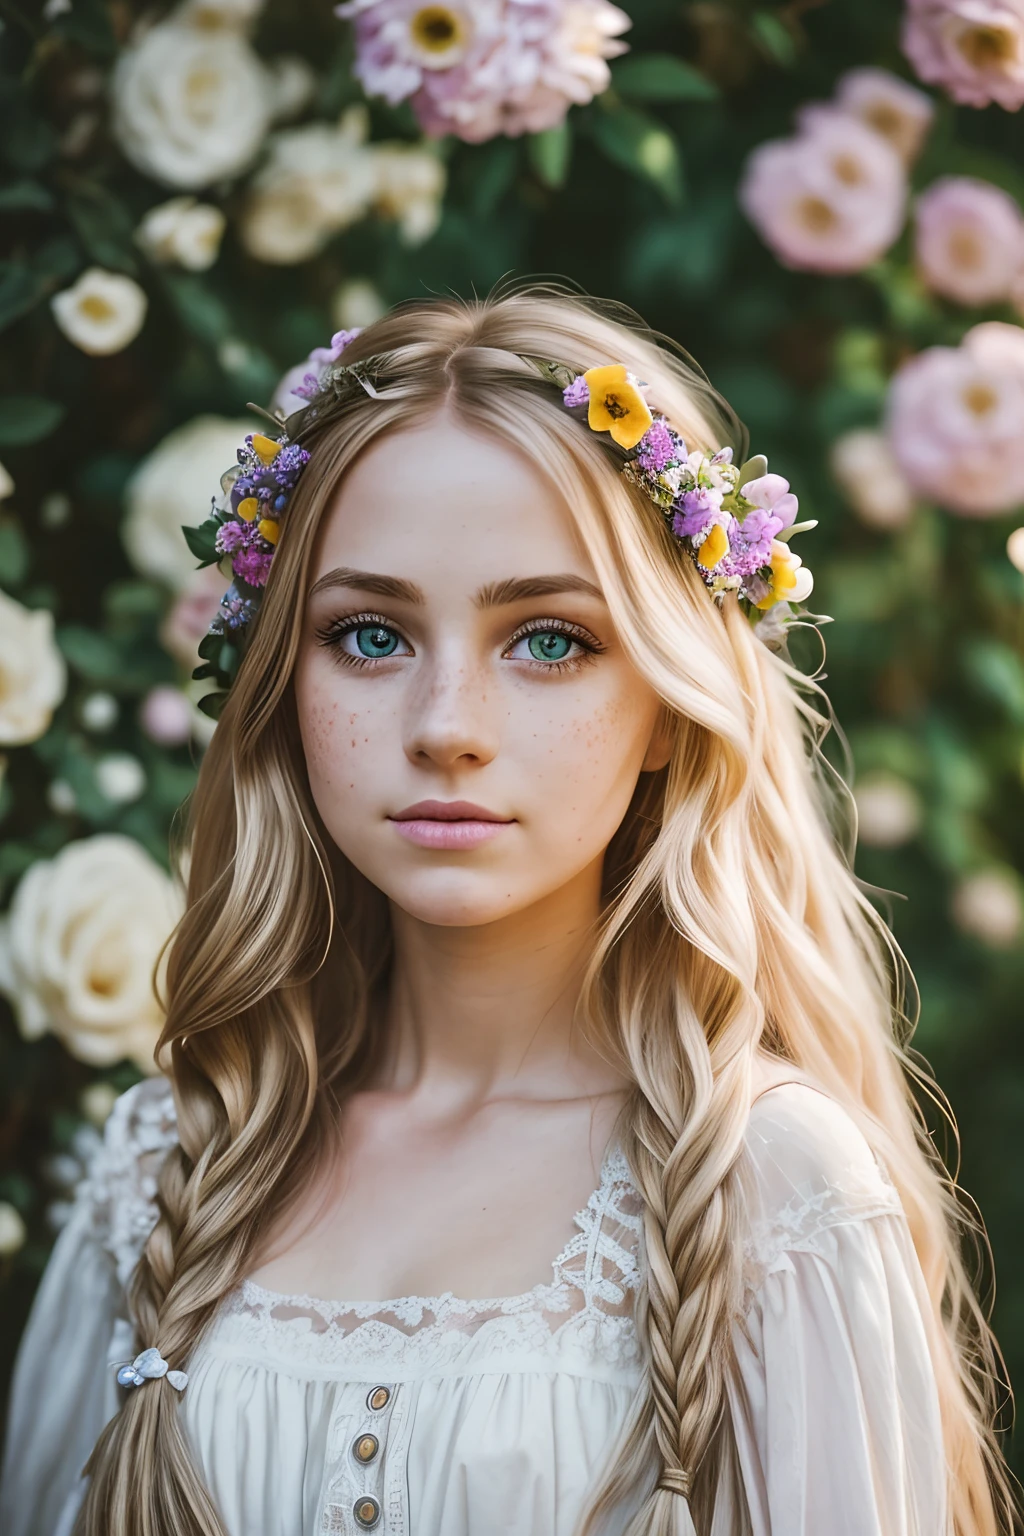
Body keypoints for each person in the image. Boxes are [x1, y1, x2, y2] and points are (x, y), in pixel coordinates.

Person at [0, 286, 1014, 1536]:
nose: (445, 731)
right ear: (280, 684)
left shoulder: (771, 1190)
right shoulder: (166, 1165)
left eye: (548, 641)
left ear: (667, 701)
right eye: (369, 635)